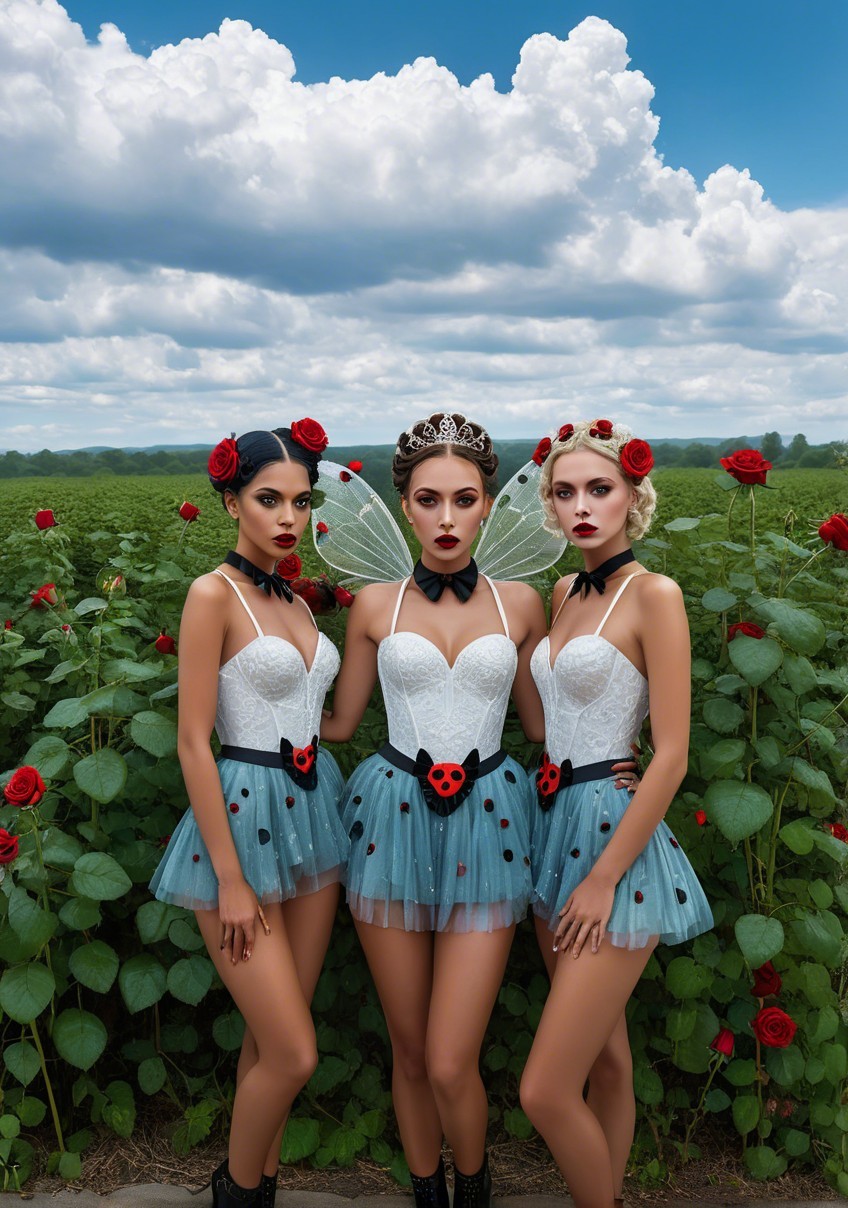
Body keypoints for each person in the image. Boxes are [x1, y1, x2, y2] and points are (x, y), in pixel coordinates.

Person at [317, 413, 636, 1208]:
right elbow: (340, 726)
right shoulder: (371, 605)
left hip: (492, 819)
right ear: (404, 507)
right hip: (390, 813)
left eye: (465, 500)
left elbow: (547, 715)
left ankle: (474, 1181)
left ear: (491, 504)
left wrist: (624, 761)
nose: (448, 519)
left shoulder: (526, 603)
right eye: (429, 501)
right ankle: (429, 1189)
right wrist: (234, 727)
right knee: (412, 1048)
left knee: (454, 1057)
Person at [149, 422, 348, 1208]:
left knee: (273, 1040)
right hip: (237, 815)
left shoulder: (295, 599)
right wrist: (229, 880)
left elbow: (322, 717)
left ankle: (257, 1184)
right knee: (296, 1054)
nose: (286, 518)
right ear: (231, 500)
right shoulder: (213, 594)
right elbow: (193, 743)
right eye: (268, 499)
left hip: (312, 811)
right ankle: (236, 1194)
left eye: (300, 502)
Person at [519, 419, 713, 1208]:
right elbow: (544, 721)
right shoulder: (564, 592)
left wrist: (603, 878)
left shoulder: (654, 595)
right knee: (606, 1063)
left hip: (612, 839)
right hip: (550, 822)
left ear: (634, 494)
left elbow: (671, 753)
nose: (582, 506)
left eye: (600, 488)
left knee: (543, 1089)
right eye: (566, 492)